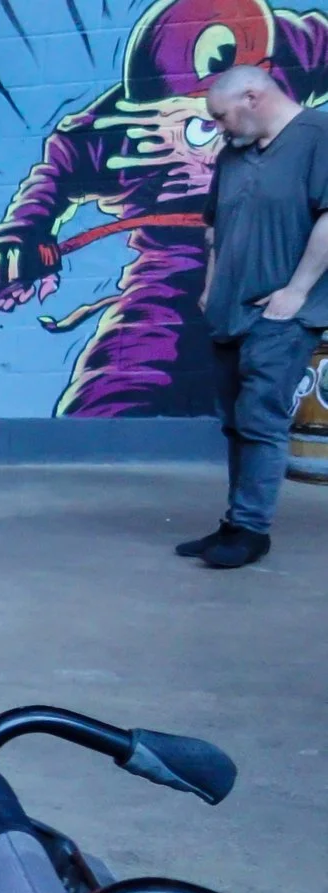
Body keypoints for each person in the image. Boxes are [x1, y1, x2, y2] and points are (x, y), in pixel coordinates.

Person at [177, 62, 328, 569]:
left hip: (281, 314)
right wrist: (210, 285)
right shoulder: (234, 154)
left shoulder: (318, 135)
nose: (217, 127)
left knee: (260, 419)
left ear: (252, 97)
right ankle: (235, 521)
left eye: (221, 116)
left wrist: (297, 291)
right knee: (235, 423)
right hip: (229, 309)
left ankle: (251, 531)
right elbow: (216, 226)